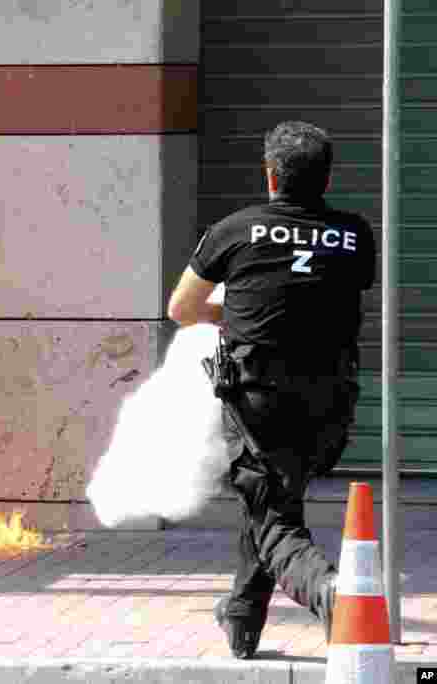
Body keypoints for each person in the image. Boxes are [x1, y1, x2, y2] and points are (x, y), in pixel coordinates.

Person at [167, 121, 376, 659]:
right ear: (326, 180)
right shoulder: (355, 234)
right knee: (271, 500)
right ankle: (242, 619)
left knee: (275, 516)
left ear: (269, 175)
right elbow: (317, 298)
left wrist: (230, 312)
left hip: (262, 403)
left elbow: (182, 310)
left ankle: (332, 594)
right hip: (330, 403)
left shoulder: (235, 229)